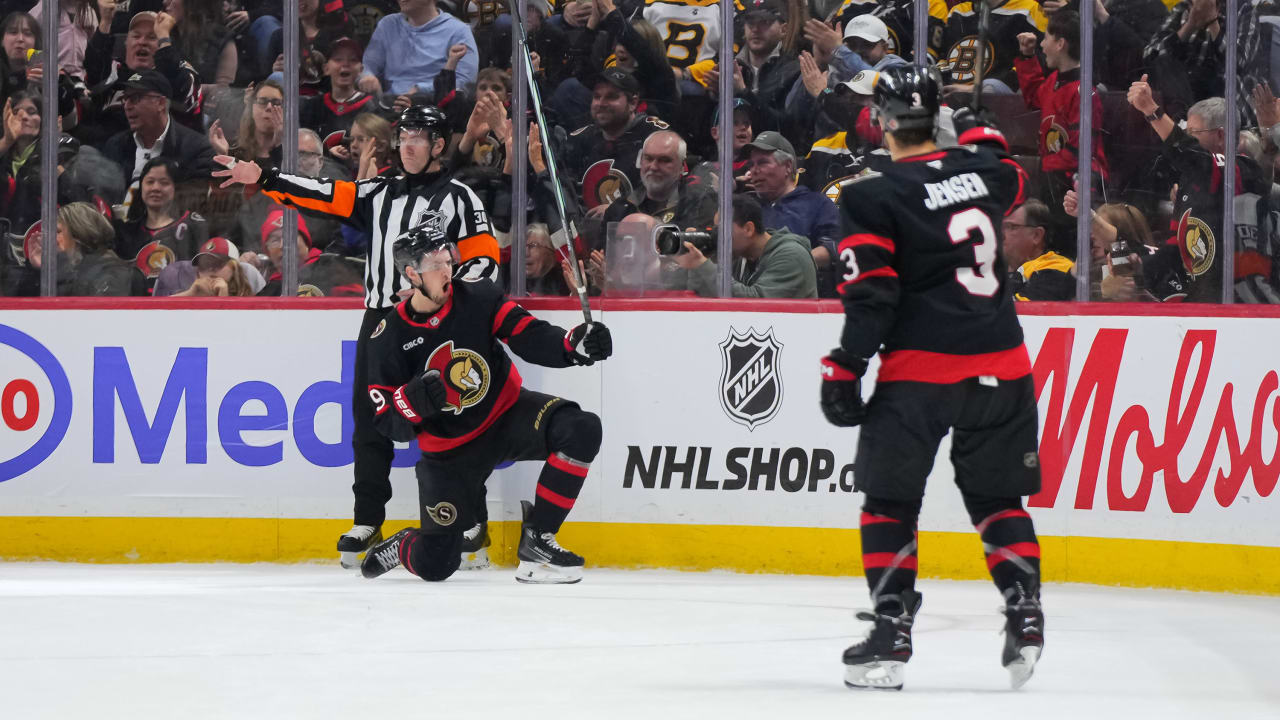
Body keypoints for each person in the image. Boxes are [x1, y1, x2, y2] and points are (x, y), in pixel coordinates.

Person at [819, 66, 1044, 691]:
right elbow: (1005, 162)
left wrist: (844, 366)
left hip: (922, 370)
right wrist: (973, 123)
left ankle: (890, 632)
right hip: (1004, 362)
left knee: (889, 502)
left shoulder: (871, 195)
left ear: (884, 121)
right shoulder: (987, 175)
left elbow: (874, 295)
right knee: (999, 500)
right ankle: (1025, 614)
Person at [212, 103, 500, 568]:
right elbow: (323, 193)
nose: (407, 147)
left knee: (453, 423)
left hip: (439, 323)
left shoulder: (461, 198)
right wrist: (264, 177)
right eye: (403, 138)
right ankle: (368, 519)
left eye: (418, 139)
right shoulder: (378, 192)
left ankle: (469, 521)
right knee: (371, 421)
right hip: (383, 320)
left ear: (439, 146)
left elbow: (485, 260)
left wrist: (457, 303)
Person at [356, 225, 612, 584]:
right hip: (449, 452)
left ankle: (538, 538)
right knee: (437, 565)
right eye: (435, 264)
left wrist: (571, 346)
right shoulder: (388, 338)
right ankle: (404, 547)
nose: (447, 270)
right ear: (412, 274)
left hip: (505, 416)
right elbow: (384, 422)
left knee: (581, 428)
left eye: (449, 260)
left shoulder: (477, 296)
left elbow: (527, 333)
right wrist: (409, 405)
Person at [671, 193, 818, 298]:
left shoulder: (792, 255)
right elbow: (707, 297)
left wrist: (703, 266)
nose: (718, 235)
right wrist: (698, 259)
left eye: (722, 229)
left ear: (748, 229)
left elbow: (755, 303)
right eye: (716, 229)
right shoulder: (742, 256)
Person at [101, 69, 215, 203]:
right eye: (125, 99)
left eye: (134, 98)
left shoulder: (196, 148)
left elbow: (195, 204)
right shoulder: (115, 145)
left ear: (160, 103)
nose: (127, 106)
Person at [1002, 199, 1074, 301]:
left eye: (1011, 227)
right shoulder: (992, 269)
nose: (1002, 234)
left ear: (1037, 235)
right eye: (1001, 227)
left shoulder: (1058, 269)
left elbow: (1020, 313)